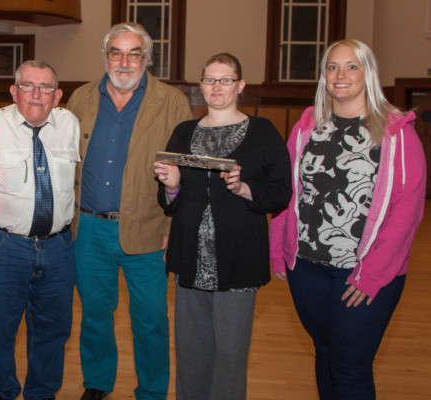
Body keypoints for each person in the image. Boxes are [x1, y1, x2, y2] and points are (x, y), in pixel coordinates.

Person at [269, 39, 426, 399]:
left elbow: (407, 212)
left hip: (364, 273)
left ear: (368, 73)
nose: (341, 75)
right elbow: (288, 193)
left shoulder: (397, 133)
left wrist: (371, 275)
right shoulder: (308, 126)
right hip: (306, 268)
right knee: (324, 355)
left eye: (351, 66)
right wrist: (279, 250)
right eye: (332, 67)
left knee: (350, 366)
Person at [153, 53, 292, 400]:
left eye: (225, 79)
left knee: (230, 355)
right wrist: (171, 185)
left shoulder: (262, 131)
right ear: (201, 86)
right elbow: (170, 198)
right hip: (190, 257)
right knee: (191, 351)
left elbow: (281, 191)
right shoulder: (184, 132)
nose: (217, 87)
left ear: (240, 85)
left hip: (239, 258)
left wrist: (245, 188)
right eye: (210, 79)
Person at [67, 22, 192, 400]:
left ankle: (152, 392)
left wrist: (175, 222)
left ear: (147, 58)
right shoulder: (81, 98)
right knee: (94, 317)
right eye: (116, 53)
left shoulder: (172, 102)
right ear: (105, 56)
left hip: (150, 229)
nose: (124, 61)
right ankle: (97, 382)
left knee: (151, 321)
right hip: (88, 230)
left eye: (133, 53)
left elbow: (183, 171)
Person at [0, 60, 79, 400]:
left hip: (59, 248)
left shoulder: (70, 124)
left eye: (45, 87)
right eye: (27, 86)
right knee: (1, 330)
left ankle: (42, 392)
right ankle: (1, 391)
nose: (36, 94)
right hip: (5, 247)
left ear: (57, 94)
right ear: (13, 90)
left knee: (53, 330)